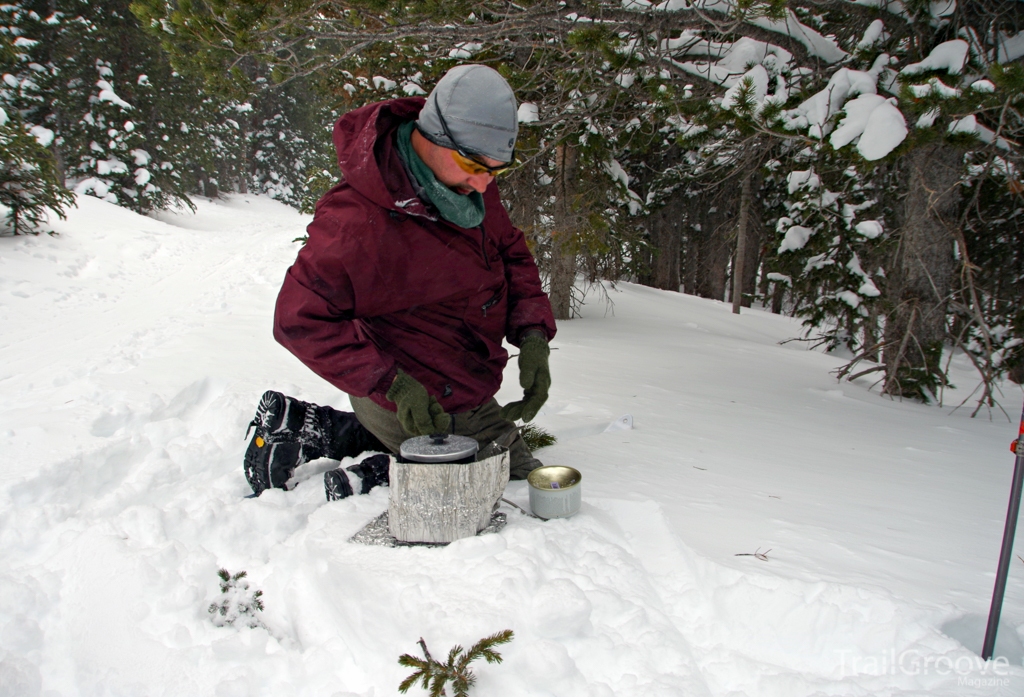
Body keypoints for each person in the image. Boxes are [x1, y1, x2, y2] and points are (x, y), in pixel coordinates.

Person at [243, 64, 556, 500]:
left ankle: (317, 426)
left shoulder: (468, 184)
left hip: (465, 383)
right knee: (496, 483)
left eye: (497, 170)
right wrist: (392, 384)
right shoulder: (355, 225)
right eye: (474, 165)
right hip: (407, 390)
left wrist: (533, 333)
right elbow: (299, 319)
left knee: (506, 468)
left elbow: (510, 251)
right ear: (432, 136)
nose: (485, 181)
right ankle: (377, 471)